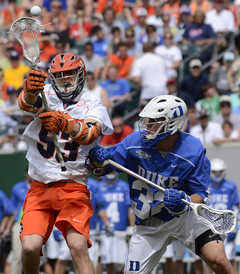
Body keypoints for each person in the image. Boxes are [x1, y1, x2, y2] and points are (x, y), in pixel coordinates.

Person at [86, 94, 238, 274]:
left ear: (172, 124)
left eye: (154, 121)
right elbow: (99, 167)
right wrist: (97, 159)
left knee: (220, 260)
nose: (147, 126)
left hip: (184, 217)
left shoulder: (193, 150)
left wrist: (184, 201)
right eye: (147, 120)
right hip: (149, 222)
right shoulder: (134, 143)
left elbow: (200, 195)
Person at [17, 52, 113, 274]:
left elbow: (90, 134)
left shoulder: (92, 102)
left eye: (70, 74)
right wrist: (29, 90)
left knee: (78, 246)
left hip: (73, 185)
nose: (66, 80)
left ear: (81, 75)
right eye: (60, 76)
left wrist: (66, 123)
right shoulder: (47, 93)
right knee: (30, 247)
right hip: (40, 186)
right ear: (52, 78)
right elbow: (26, 105)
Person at [205, 158, 239, 273]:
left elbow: (236, 208)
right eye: (215, 171)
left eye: (219, 171)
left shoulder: (231, 186)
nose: (217, 174)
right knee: (209, 259)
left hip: (227, 226)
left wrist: (234, 227)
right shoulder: (206, 187)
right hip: (210, 226)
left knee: (230, 258)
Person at [97, 171, 135, 274]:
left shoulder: (124, 186)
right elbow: (98, 208)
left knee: (124, 261)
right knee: (105, 260)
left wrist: (131, 226)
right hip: (105, 230)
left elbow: (130, 207)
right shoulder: (99, 186)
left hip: (121, 229)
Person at [10, 167, 32, 274]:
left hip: (37, 225)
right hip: (19, 224)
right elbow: (12, 209)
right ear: (26, 173)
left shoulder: (44, 188)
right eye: (29, 171)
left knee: (36, 257)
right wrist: (8, 228)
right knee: (17, 256)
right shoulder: (17, 187)